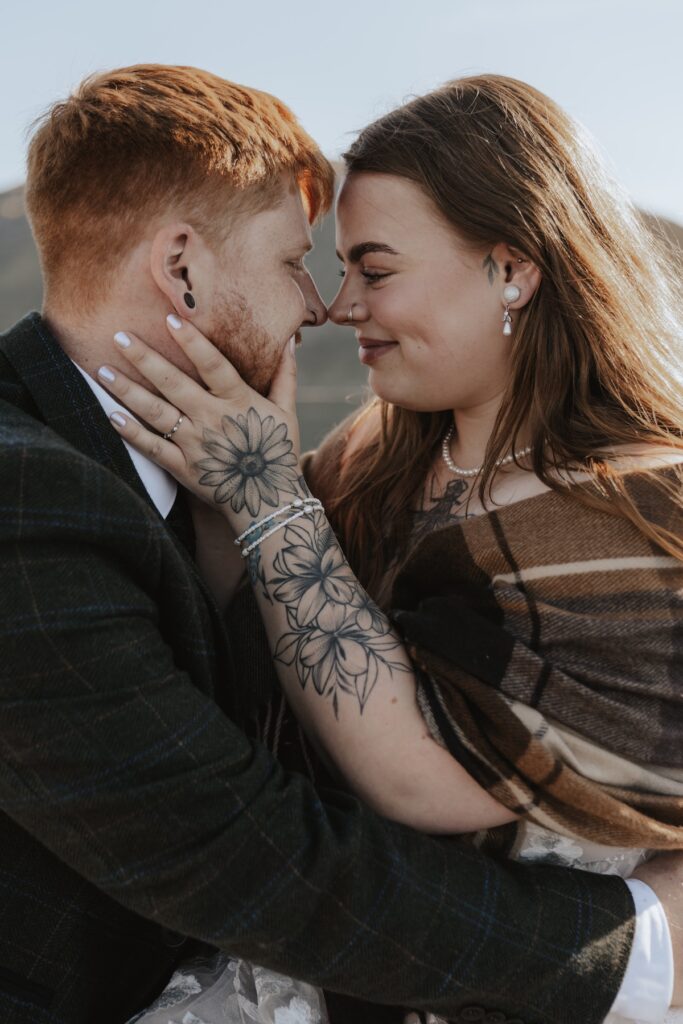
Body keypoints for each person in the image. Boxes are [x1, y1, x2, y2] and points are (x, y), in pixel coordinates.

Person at [0, 64, 679, 1024]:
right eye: (307, 262)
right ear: (182, 268)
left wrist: (250, 499)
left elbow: (406, 769)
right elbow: (239, 813)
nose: (332, 306)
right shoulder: (337, 470)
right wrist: (629, 946)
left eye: (374, 267)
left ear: (513, 268)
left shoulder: (639, 504)